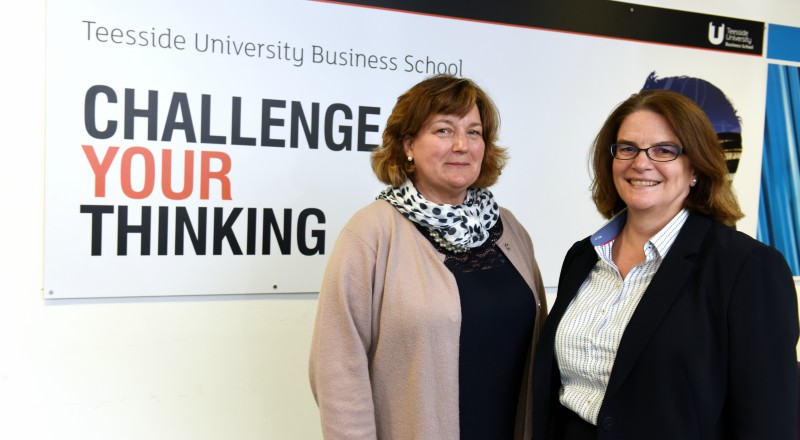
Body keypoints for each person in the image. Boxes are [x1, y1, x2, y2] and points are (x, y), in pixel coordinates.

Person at [532, 89, 799, 439]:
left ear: (695, 170)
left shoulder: (747, 268)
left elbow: (769, 419)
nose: (641, 163)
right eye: (627, 148)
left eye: (664, 150)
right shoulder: (583, 257)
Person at [309, 74, 547, 440]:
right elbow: (336, 367)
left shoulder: (508, 228)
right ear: (408, 144)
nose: (461, 145)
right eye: (443, 130)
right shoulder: (372, 233)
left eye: (474, 132)